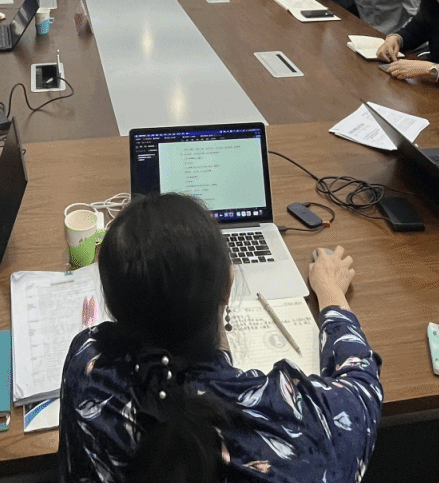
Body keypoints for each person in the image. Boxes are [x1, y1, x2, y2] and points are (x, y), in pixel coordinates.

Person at [59, 193, 382, 482]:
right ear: (228, 284)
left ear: (112, 299)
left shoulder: (87, 360)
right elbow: (362, 386)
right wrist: (331, 292)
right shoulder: (296, 423)